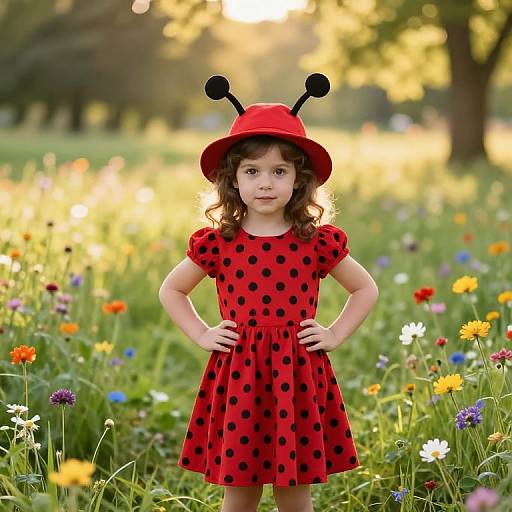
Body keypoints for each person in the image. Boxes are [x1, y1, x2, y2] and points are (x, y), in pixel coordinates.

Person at [159, 74, 379, 512]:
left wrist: (334, 334)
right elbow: (172, 290)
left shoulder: (314, 240)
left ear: (299, 180)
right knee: (239, 488)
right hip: (240, 373)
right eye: (252, 171)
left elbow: (364, 288)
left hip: (295, 374)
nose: (265, 183)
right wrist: (203, 334)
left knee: (294, 487)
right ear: (232, 179)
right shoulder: (219, 241)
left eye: (279, 171)